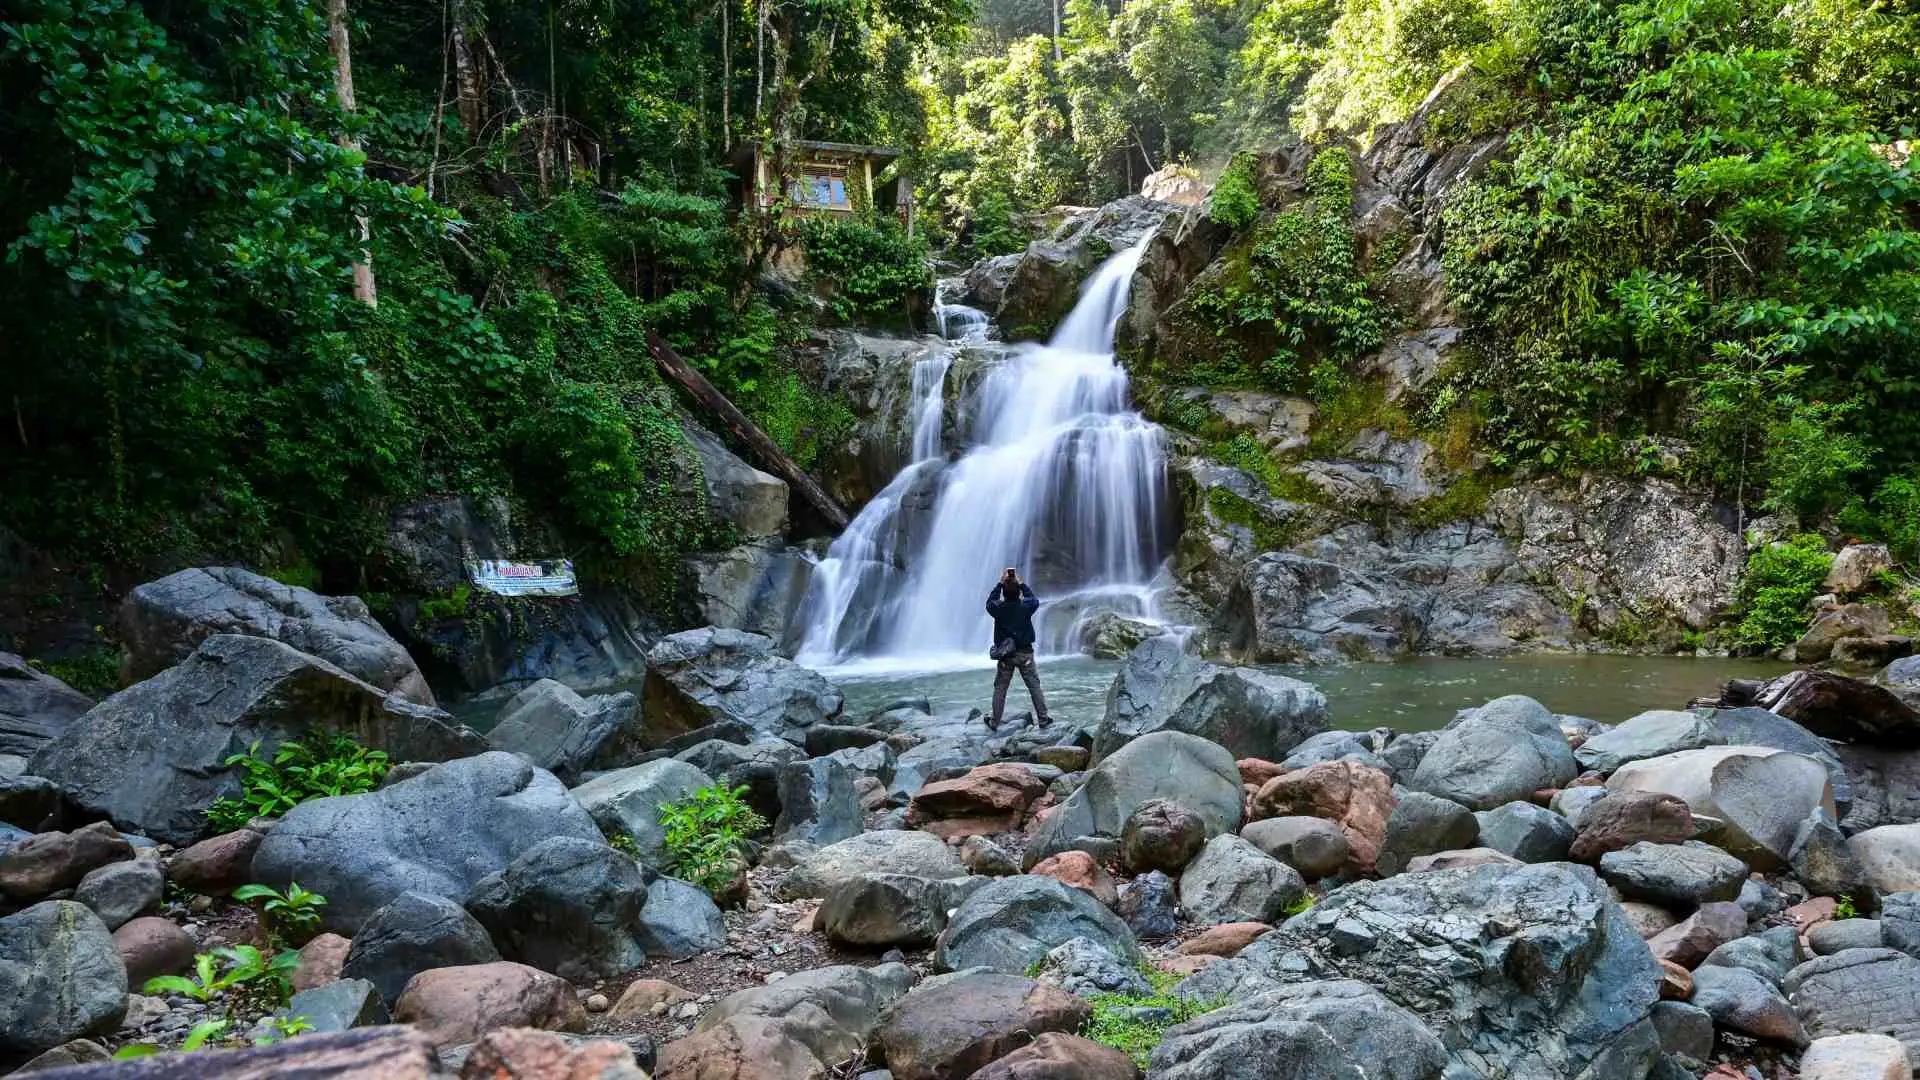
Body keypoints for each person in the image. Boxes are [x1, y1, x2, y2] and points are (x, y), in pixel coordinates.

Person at [986, 567, 1052, 730]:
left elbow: (989, 603)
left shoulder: (998, 609)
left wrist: (1000, 584)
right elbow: (1033, 599)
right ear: (1019, 593)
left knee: (1000, 688)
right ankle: (1043, 719)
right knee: (1034, 686)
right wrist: (1022, 584)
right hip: (1025, 654)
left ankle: (994, 722)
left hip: (1005, 656)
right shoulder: (1025, 607)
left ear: (1004, 594)